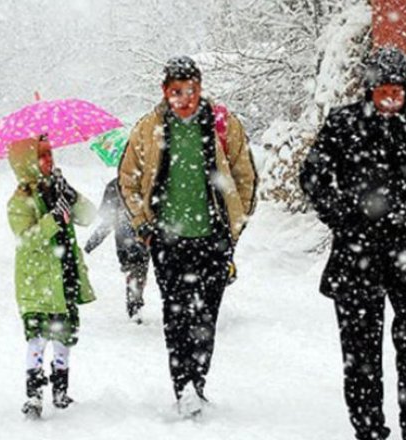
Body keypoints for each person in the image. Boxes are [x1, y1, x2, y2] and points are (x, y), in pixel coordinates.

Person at [299, 47, 406, 440]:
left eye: (398, 91)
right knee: (360, 354)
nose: (390, 99)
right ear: (368, 90)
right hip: (357, 256)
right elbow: (314, 176)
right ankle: (368, 429)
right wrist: (344, 217)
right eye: (382, 91)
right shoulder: (344, 123)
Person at [118, 55, 257, 417]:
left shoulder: (222, 124)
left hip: (212, 238)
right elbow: (128, 178)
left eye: (191, 90)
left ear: (200, 88)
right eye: (176, 91)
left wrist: (233, 226)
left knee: (206, 316)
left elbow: (245, 174)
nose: (185, 98)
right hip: (167, 240)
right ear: (165, 92)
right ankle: (183, 386)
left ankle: (199, 381)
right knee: (177, 315)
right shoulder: (149, 128)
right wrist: (143, 222)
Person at [6, 135, 97, 419]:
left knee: (64, 335)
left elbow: (89, 215)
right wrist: (52, 220)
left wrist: (70, 195)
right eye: (41, 155)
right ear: (27, 163)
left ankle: (61, 389)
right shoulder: (20, 201)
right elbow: (26, 238)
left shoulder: (57, 190)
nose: (49, 159)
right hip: (39, 280)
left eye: (50, 154)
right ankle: (33, 393)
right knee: (37, 337)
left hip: (65, 273)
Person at [84, 177, 150, 323]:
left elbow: (107, 221)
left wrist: (92, 243)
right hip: (137, 238)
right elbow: (108, 221)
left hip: (128, 239)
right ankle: (135, 304)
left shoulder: (114, 185)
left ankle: (135, 303)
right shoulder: (144, 182)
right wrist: (92, 243)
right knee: (138, 270)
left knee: (136, 270)